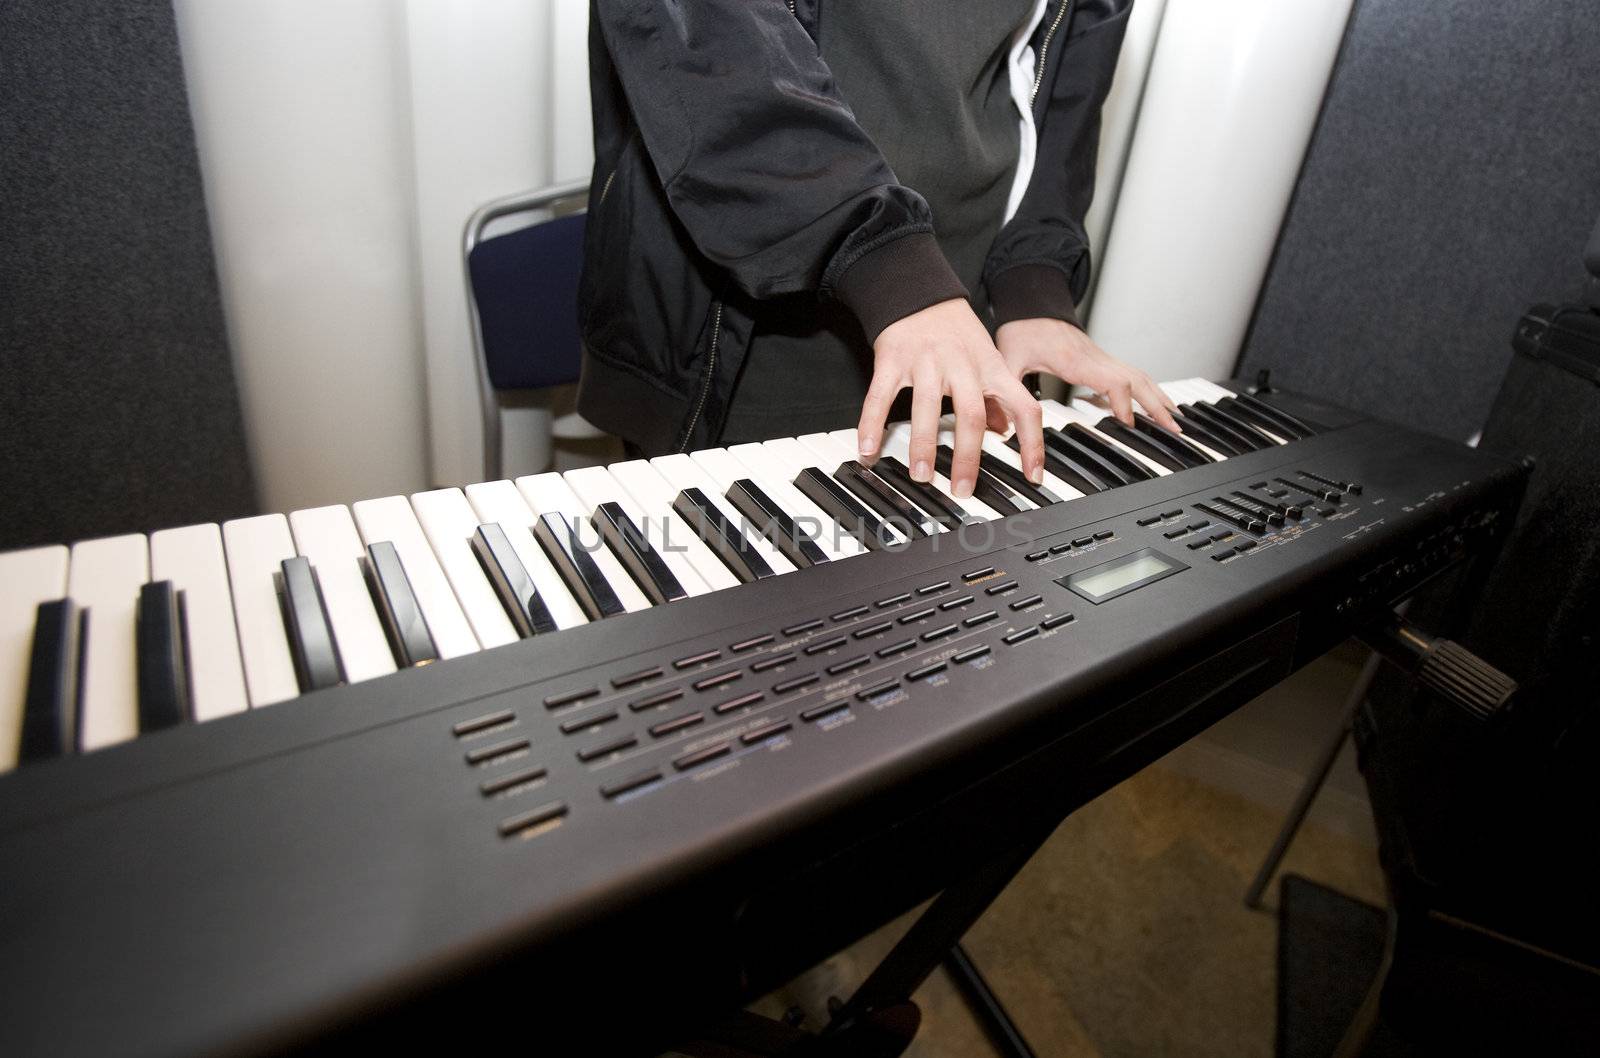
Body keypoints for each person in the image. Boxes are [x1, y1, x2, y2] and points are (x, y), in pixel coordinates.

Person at [574, 0, 1178, 502]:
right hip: (747, 329)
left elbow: (1062, 103)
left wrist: (1034, 286)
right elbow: (708, 48)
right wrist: (893, 272)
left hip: (957, 325)